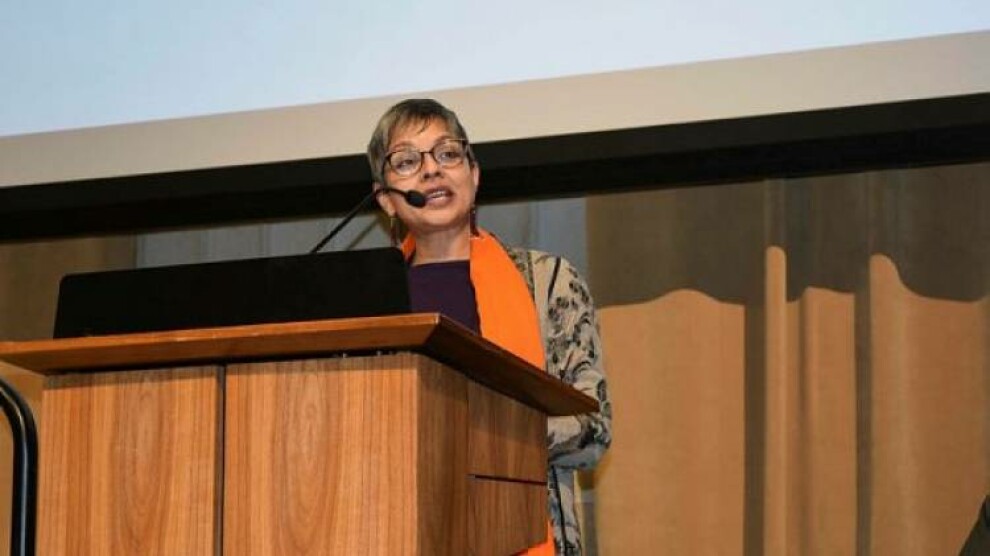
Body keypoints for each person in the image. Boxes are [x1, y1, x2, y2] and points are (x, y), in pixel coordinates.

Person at [367, 98, 612, 555]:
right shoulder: (368, 302)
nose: (431, 170)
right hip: (396, 531)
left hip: (524, 534)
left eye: (447, 154)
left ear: (474, 174)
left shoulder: (547, 282)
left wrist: (482, 437)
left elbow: (593, 429)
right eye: (407, 161)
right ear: (385, 199)